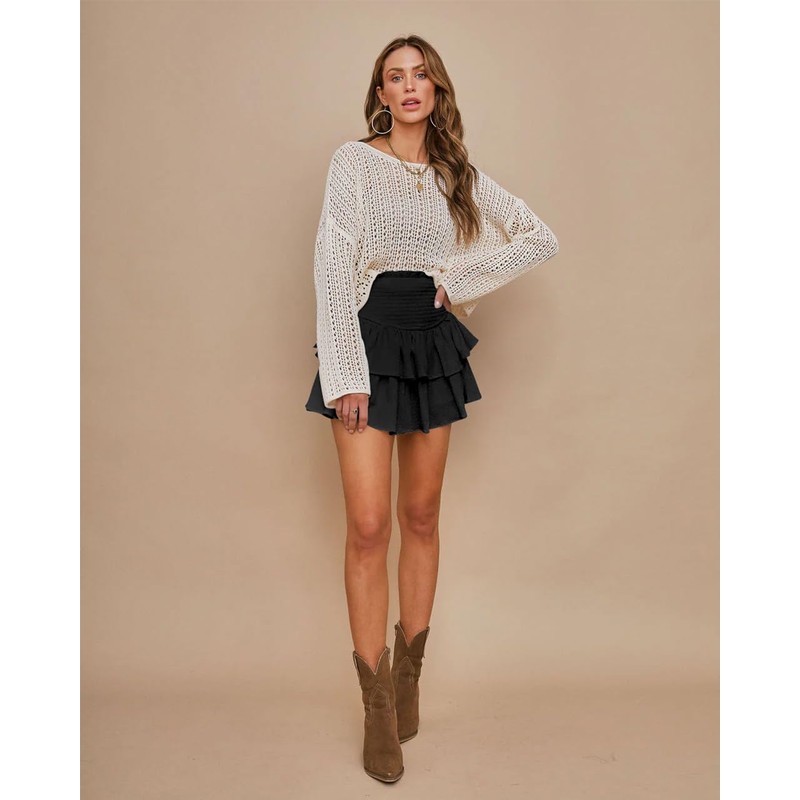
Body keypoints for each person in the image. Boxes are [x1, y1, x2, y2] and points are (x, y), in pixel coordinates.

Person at [304, 35, 559, 783]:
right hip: (367, 338)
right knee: (369, 525)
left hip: (433, 343)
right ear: (381, 94)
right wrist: (346, 371)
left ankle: (410, 677)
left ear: (436, 89)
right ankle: (376, 703)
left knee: (420, 516)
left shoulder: (457, 175)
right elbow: (331, 262)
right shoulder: (354, 163)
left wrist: (460, 276)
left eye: (421, 75)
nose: (410, 86)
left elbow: (537, 238)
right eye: (396, 77)